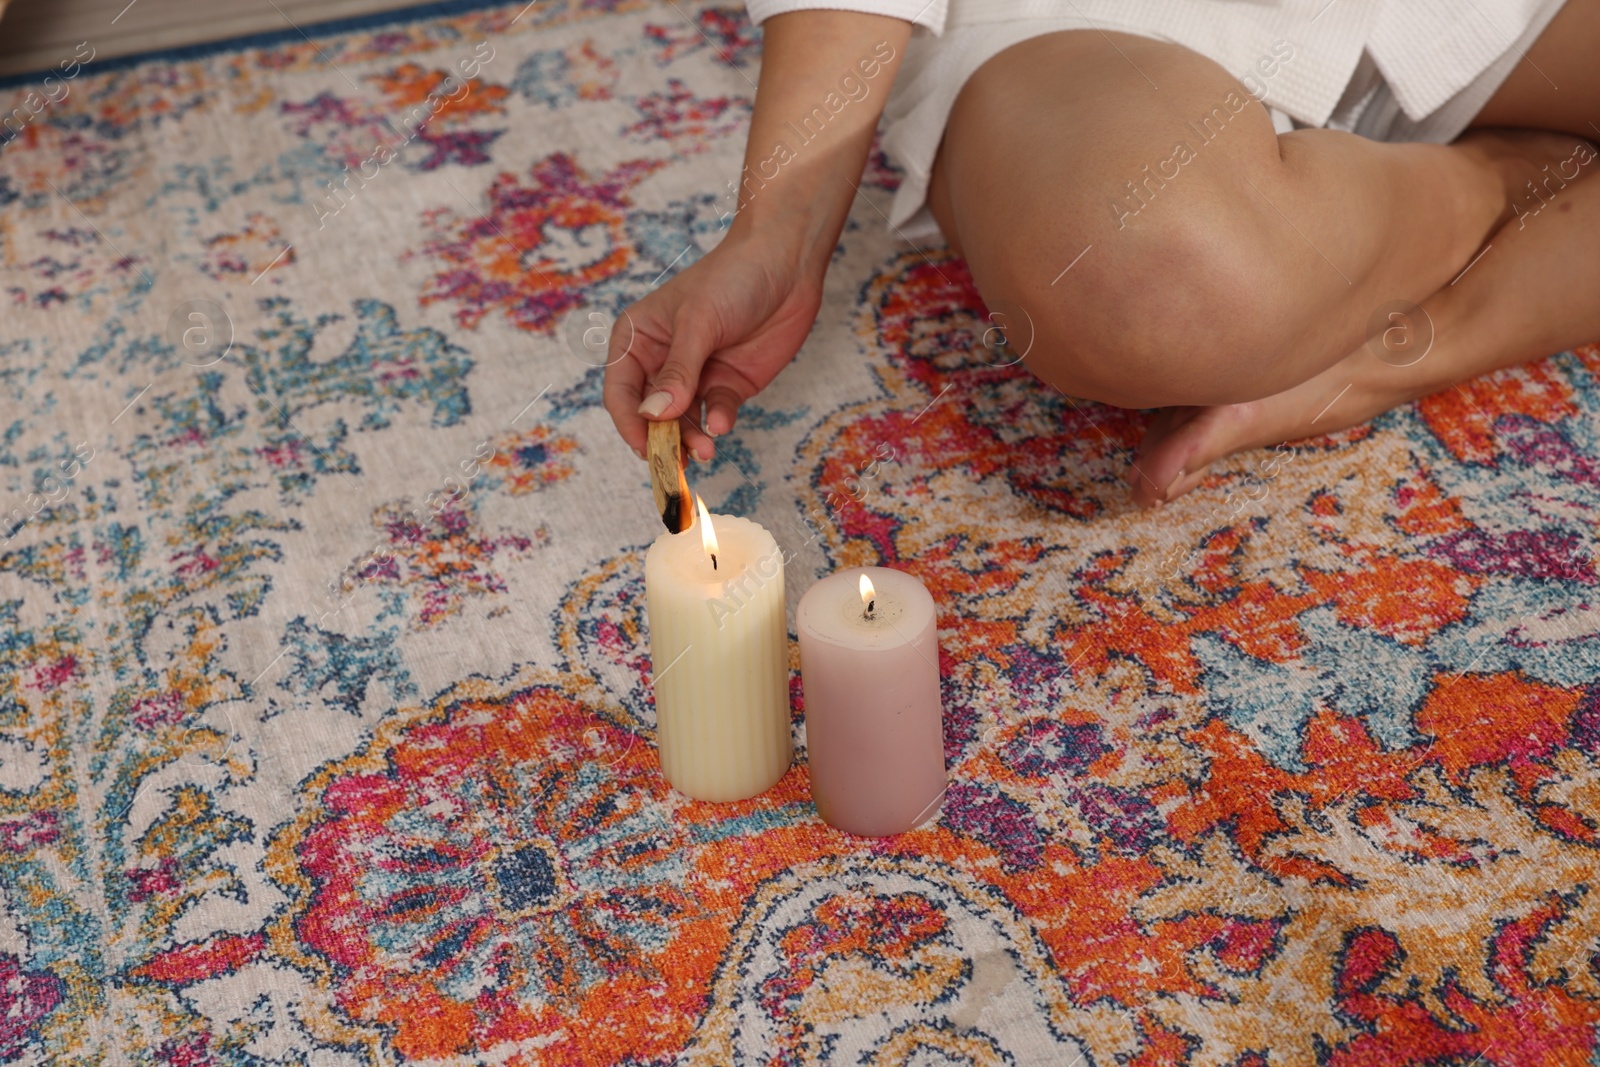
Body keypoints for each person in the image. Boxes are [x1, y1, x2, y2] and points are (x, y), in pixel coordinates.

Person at [603, 0, 1599, 507]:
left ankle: (1402, 339)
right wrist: (776, 227)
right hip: (1078, 23)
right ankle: (1509, 180)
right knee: (1150, 280)